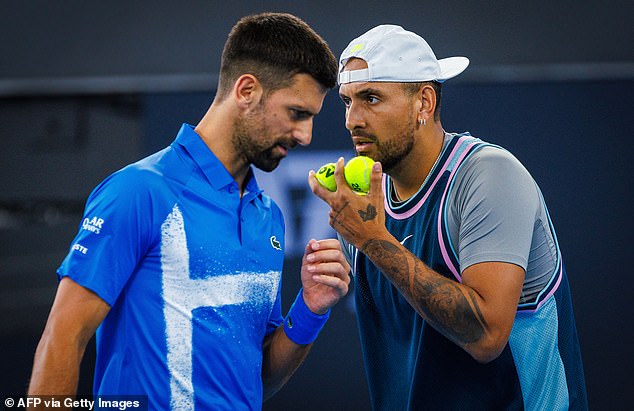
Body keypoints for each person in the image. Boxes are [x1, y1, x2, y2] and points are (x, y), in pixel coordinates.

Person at [28, 12, 351, 410]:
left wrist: (310, 307)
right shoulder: (138, 192)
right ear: (246, 90)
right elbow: (63, 337)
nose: (305, 135)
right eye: (297, 113)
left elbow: (257, 378)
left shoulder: (268, 217)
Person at [309, 24, 588, 410]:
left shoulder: (489, 175)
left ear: (424, 102)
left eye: (371, 98)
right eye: (347, 101)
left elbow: (486, 336)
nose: (351, 120)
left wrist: (373, 239)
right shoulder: (365, 207)